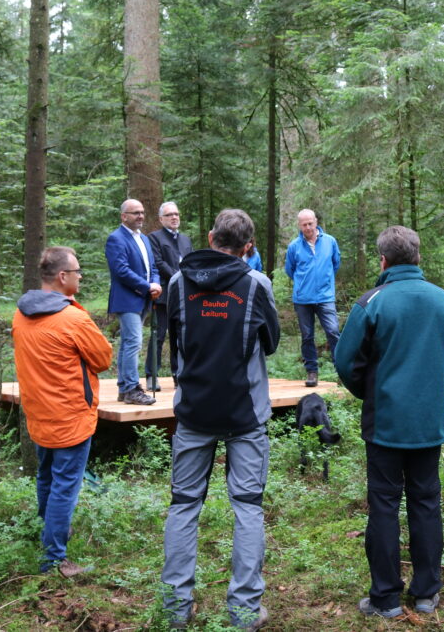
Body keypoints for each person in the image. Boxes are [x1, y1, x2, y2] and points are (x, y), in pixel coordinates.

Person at [334, 225, 444, 619]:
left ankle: (386, 598)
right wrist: (429, 387)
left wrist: (374, 391)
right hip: (427, 423)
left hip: (386, 423)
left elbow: (345, 362)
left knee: (384, 503)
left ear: (383, 260)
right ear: (418, 257)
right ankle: (425, 593)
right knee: (426, 501)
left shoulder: (372, 302)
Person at [160, 209, 280, 631]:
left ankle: (176, 607)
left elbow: (176, 341)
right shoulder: (255, 284)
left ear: (210, 237)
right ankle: (244, 611)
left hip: (193, 412)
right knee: (247, 507)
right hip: (245, 415)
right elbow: (271, 343)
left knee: (183, 505)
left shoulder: (177, 283)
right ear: (248, 247)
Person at [12, 246, 113, 577]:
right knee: (65, 486)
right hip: (70, 416)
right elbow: (103, 359)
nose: (80, 276)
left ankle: (51, 532)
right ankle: (54, 559)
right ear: (62, 277)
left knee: (46, 476)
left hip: (38, 413)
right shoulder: (73, 318)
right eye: (77, 271)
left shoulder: (20, 313)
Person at [105, 199, 161, 405]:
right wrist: (147, 286)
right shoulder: (116, 239)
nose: (140, 216)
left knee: (129, 342)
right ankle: (131, 388)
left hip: (143, 298)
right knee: (133, 342)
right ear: (123, 216)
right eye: (135, 212)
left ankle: (124, 388)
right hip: (126, 299)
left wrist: (155, 284)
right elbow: (120, 271)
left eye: (142, 212)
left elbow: (153, 267)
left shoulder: (144, 239)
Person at [284, 209, 341, 387]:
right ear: (299, 225)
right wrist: (304, 283)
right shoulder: (294, 246)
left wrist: (324, 282)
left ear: (316, 222)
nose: (308, 227)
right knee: (307, 336)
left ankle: (342, 371)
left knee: (333, 332)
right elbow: (290, 270)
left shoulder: (330, 241)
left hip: (325, 297)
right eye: (304, 224)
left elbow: (335, 263)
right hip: (303, 299)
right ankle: (312, 372)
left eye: (310, 223)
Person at [148, 200, 193, 390]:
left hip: (184, 295)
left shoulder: (185, 239)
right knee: (158, 335)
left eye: (176, 214)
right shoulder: (154, 237)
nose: (174, 217)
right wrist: (177, 277)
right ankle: (152, 375)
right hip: (164, 294)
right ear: (161, 219)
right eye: (169, 215)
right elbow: (158, 262)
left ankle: (179, 374)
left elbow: (191, 261)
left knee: (180, 337)